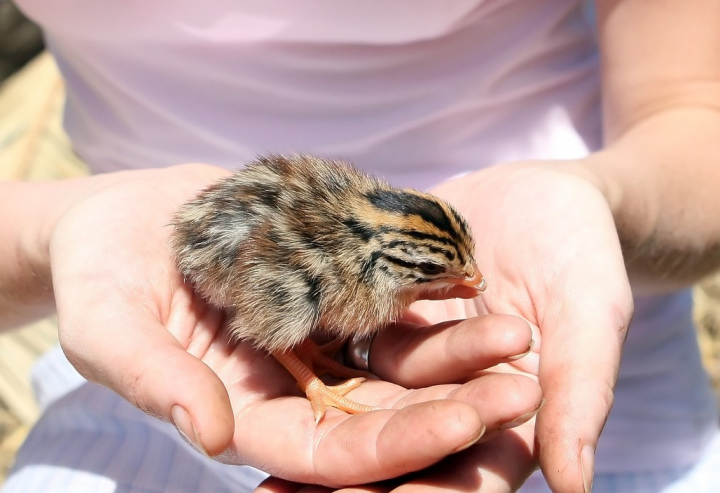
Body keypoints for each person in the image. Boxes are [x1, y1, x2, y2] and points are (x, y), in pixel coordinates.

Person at [2, 0, 719, 491]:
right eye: (445, 272)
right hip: (144, 379)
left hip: (611, 397)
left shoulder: (375, 257)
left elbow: (693, 112)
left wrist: (596, 200)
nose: (464, 282)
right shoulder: (348, 273)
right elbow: (276, 301)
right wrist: (61, 234)